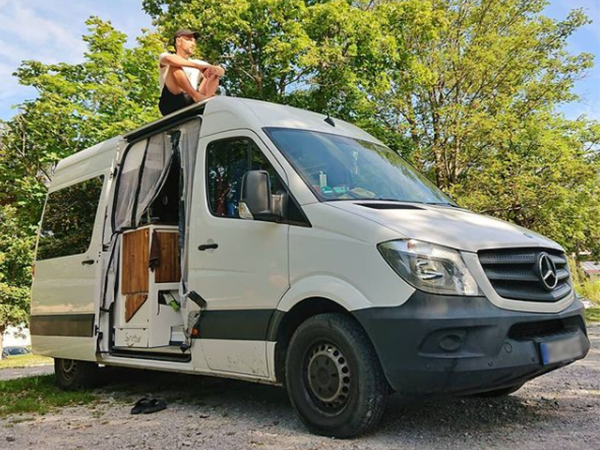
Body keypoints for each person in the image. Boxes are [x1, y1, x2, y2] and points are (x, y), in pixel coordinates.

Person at [158, 29, 225, 116]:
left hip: (190, 101)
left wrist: (216, 70)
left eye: (194, 41)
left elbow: (220, 71)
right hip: (171, 102)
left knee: (212, 71)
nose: (193, 44)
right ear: (178, 41)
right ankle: (196, 96)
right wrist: (198, 67)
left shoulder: (197, 62)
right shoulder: (166, 56)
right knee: (174, 65)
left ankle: (206, 101)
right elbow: (169, 60)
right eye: (189, 40)